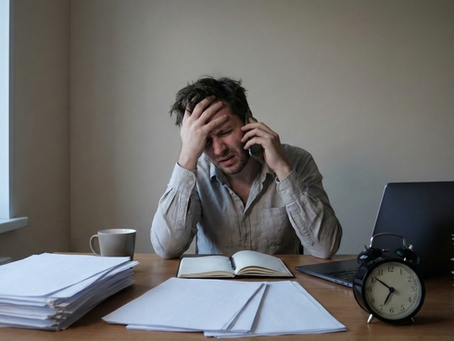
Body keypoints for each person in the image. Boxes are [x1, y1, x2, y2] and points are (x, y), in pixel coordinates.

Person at [151, 76, 342, 259]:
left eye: (225, 132)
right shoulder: (195, 171)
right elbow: (166, 248)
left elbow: (325, 247)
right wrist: (187, 155)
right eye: (206, 140)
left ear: (248, 118)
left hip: (281, 287)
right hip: (216, 288)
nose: (219, 150)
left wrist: (283, 169)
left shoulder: (297, 161)